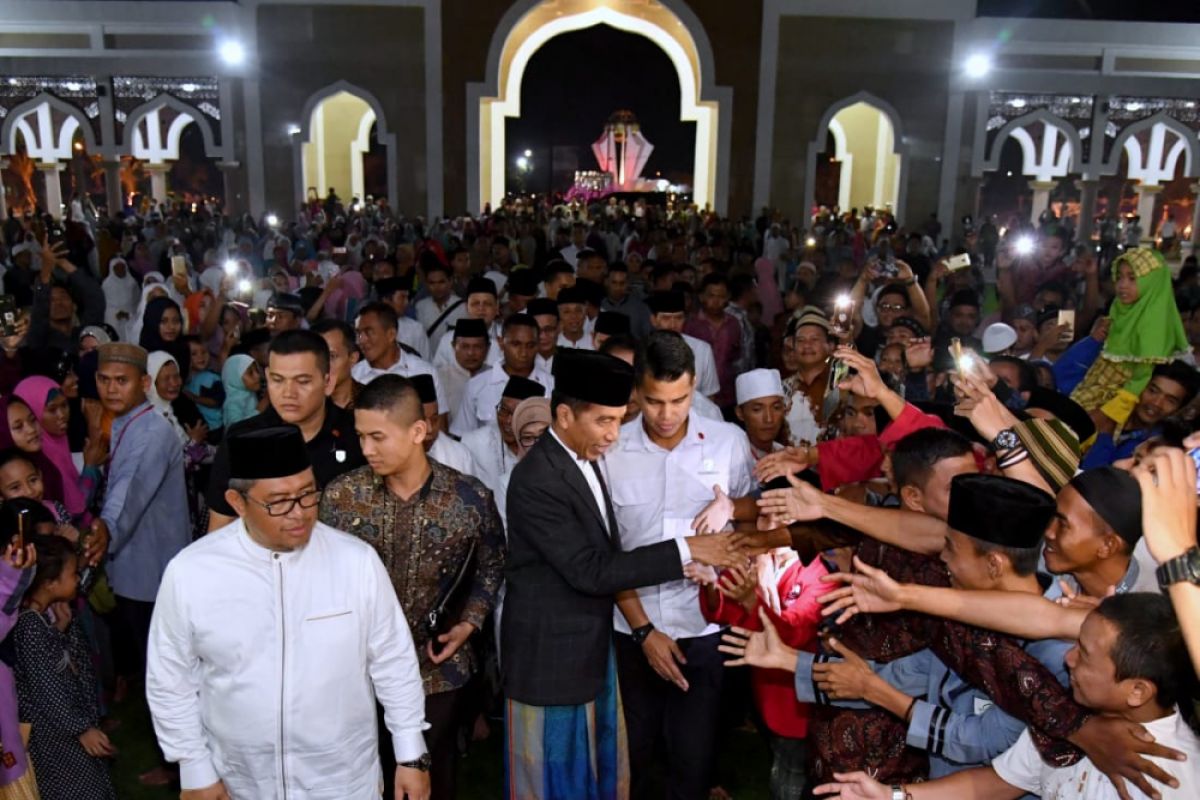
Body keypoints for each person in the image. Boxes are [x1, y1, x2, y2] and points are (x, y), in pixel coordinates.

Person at [501, 348, 744, 800]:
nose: (614, 434)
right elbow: (591, 570)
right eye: (603, 421)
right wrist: (688, 549)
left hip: (587, 659)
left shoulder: (582, 459)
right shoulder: (539, 478)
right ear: (565, 415)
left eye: (619, 419)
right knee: (552, 787)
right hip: (550, 667)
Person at [147, 426, 432, 799]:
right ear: (237, 502)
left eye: (307, 495)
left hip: (342, 779)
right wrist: (193, 767)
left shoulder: (355, 562)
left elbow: (393, 659)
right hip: (239, 781)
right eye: (279, 502)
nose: (299, 513)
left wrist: (411, 754)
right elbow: (170, 678)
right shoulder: (192, 573)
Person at [792, 474, 1070, 780]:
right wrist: (789, 662)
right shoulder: (963, 608)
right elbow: (915, 672)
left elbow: (983, 740)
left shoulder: (1056, 654)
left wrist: (876, 691)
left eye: (950, 548)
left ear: (994, 565)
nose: (943, 558)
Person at [806, 594, 1200, 800]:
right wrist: (892, 796)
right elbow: (995, 783)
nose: (1068, 658)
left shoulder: (1179, 777)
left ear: (1137, 691)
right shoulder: (1071, 719)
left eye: (1086, 653)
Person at [320, 376, 505, 800]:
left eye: (378, 437)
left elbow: (492, 564)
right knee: (366, 775)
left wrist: (469, 624)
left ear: (418, 431)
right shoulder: (342, 497)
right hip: (357, 669)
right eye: (361, 436)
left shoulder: (469, 498)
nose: (366, 449)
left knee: (431, 774)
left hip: (438, 667)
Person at [607, 330, 756, 800]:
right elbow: (606, 553)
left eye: (680, 399)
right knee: (636, 760)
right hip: (632, 630)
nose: (668, 415)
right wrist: (643, 633)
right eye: (654, 401)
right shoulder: (610, 450)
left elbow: (753, 507)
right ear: (636, 391)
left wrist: (730, 505)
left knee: (694, 760)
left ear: (695, 387)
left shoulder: (728, 441)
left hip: (706, 628)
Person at [93, 342, 187, 699]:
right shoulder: (126, 422)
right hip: (137, 565)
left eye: (122, 380)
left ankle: (173, 752)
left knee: (164, 671)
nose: (111, 388)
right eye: (104, 380)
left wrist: (106, 529)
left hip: (152, 568)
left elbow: (128, 490)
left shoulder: (151, 431)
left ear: (144, 382)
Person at [206, 330, 365, 531]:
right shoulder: (243, 439)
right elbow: (220, 529)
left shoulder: (357, 434)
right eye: (278, 380)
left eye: (303, 381)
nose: (288, 393)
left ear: (328, 382)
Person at [13, 534, 117, 800]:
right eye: (72, 573)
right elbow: (47, 689)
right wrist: (80, 728)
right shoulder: (30, 627)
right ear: (49, 583)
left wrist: (61, 628)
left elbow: (53, 665)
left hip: (66, 733)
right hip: (58, 742)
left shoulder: (44, 621)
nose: (76, 579)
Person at [1081, 361, 1199, 468]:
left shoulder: (1156, 447)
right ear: (1140, 387)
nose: (1157, 403)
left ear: (1179, 409)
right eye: (1153, 391)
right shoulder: (1104, 403)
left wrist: (1105, 433)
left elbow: (1097, 482)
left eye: (1170, 400)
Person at [451, 314, 552, 436]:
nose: (523, 353)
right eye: (516, 344)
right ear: (501, 342)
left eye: (530, 345)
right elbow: (463, 435)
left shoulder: (551, 386)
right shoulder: (476, 386)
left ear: (538, 345)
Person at [351, 303, 446, 417]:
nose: (362, 340)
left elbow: (439, 424)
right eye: (359, 334)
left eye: (369, 332)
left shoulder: (424, 372)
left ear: (391, 334)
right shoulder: (354, 376)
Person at [461, 375, 545, 497]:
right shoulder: (473, 444)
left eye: (517, 414)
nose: (508, 421)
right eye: (504, 410)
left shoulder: (545, 448)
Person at [684, 274, 743, 410]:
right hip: (698, 395)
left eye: (721, 297)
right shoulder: (691, 324)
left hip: (728, 394)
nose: (716, 301)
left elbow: (738, 358)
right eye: (711, 296)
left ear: (728, 298)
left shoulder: (733, 324)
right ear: (701, 297)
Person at [646, 290, 720, 400]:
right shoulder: (641, 349)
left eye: (678, 318)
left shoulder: (702, 350)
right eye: (666, 318)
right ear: (653, 320)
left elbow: (709, 396)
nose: (672, 325)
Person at [432, 278, 503, 369]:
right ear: (466, 307)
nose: (481, 309)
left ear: (497, 307)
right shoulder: (448, 339)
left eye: (487, 304)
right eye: (475, 303)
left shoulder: (507, 338)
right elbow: (439, 374)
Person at [410, 373, 474, 475]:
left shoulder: (459, 455)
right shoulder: (391, 457)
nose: (430, 429)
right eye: (423, 421)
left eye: (434, 419)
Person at [437, 319, 489, 430]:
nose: (471, 353)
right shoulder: (439, 379)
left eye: (477, 347)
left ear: (487, 348)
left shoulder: (495, 376)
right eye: (465, 347)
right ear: (453, 346)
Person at [735, 368, 789, 459]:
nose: (769, 419)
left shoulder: (785, 455)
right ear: (740, 413)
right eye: (757, 409)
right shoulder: (732, 457)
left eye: (776, 408)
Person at [313, 318, 364, 410]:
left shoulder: (372, 402)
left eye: (332, 356)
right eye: (316, 357)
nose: (323, 365)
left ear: (352, 358)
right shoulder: (301, 403)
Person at [375, 275, 431, 360]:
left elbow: (426, 361)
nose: (406, 302)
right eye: (402, 297)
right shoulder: (369, 326)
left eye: (407, 297)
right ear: (386, 300)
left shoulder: (416, 328)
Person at [415, 261, 466, 353]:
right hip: (428, 362)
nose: (437, 287)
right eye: (432, 283)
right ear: (426, 284)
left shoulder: (463, 307)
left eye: (441, 282)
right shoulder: (420, 307)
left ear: (450, 282)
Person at [219, 353, 262, 429]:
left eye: (257, 370)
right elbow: (237, 429)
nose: (257, 376)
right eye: (250, 373)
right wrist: (260, 409)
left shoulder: (249, 393)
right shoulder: (232, 404)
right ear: (235, 378)